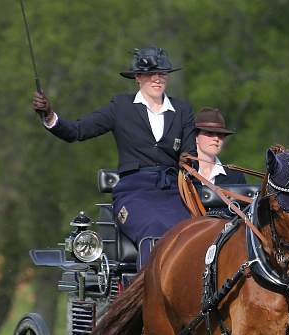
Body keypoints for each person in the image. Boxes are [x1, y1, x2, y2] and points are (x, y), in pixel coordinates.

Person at [32, 46, 196, 265]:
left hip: (174, 192)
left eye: (162, 74)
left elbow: (191, 156)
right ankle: (147, 294)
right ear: (138, 77)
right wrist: (50, 115)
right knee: (154, 228)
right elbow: (76, 131)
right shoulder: (120, 106)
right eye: (150, 75)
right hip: (134, 191)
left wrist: (188, 160)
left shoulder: (182, 110)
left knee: (192, 232)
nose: (157, 80)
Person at [192, 107, 247, 186]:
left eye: (220, 135)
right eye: (209, 133)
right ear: (195, 137)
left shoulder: (236, 177)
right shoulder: (180, 174)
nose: (216, 138)